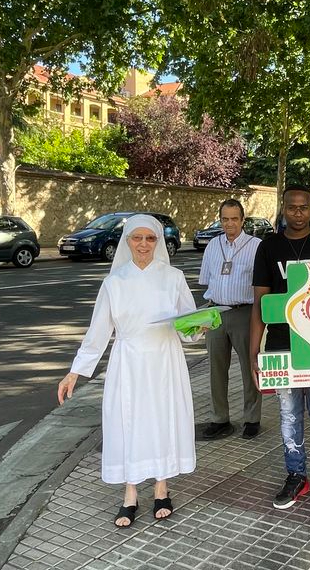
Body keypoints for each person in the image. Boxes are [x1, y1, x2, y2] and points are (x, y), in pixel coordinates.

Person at [57, 215, 199, 528]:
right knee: (129, 422)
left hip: (165, 361)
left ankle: (162, 487)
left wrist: (200, 326)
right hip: (128, 362)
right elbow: (98, 332)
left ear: (158, 242)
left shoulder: (173, 277)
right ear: (127, 241)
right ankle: (130, 493)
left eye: (150, 238)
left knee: (162, 421)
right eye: (137, 238)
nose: (144, 244)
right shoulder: (114, 282)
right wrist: (75, 372)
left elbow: (187, 326)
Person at [250, 186, 310, 509]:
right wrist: (254, 354)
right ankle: (295, 475)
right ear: (283, 208)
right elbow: (260, 304)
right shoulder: (268, 247)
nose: (297, 213)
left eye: (303, 207)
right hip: (282, 346)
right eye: (291, 207)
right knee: (289, 417)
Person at [198, 199, 263, 440]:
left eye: (234, 219)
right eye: (225, 219)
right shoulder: (213, 246)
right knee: (216, 369)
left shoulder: (256, 246)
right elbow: (207, 280)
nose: (230, 224)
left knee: (249, 366)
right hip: (216, 312)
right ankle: (219, 418)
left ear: (243, 220)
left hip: (244, 312)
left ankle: (252, 418)